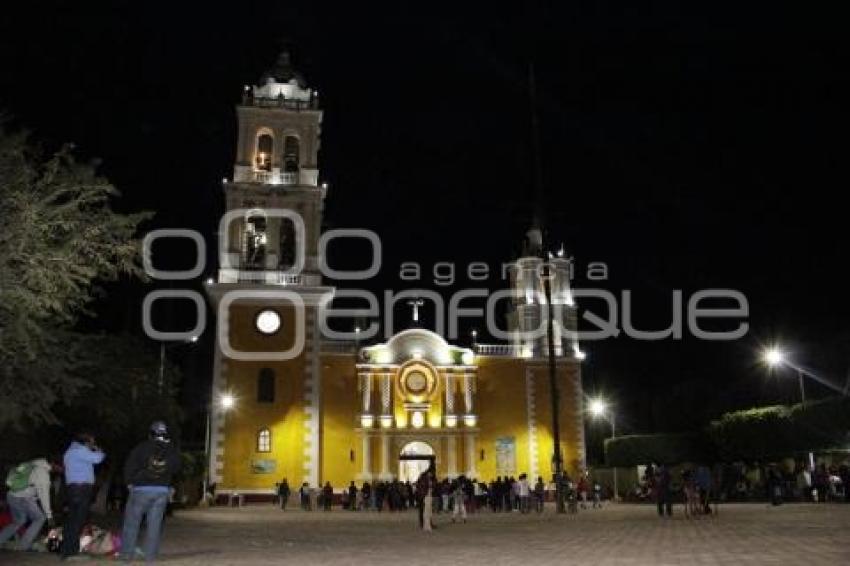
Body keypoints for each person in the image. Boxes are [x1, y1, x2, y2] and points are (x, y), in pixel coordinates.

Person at [118, 421, 182, 562]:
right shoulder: (171, 449)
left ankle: (126, 556)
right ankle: (150, 557)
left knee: (131, 523)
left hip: (140, 489)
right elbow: (177, 468)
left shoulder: (141, 447)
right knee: (154, 525)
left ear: (150, 433)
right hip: (161, 491)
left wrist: (129, 482)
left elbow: (129, 465)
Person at [60, 432, 105, 560]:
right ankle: (71, 552)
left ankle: (66, 550)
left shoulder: (69, 451)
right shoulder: (80, 450)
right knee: (78, 520)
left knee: (72, 520)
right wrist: (98, 450)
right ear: (86, 441)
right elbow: (98, 458)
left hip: (72, 488)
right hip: (82, 489)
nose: (93, 443)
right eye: (92, 441)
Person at [0, 458, 56, 551]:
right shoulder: (43, 474)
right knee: (39, 518)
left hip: (11, 495)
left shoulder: (33, 464)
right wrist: (49, 516)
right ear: (53, 464)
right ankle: (23, 545)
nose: (61, 470)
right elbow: (44, 496)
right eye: (60, 467)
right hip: (24, 498)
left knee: (18, 521)